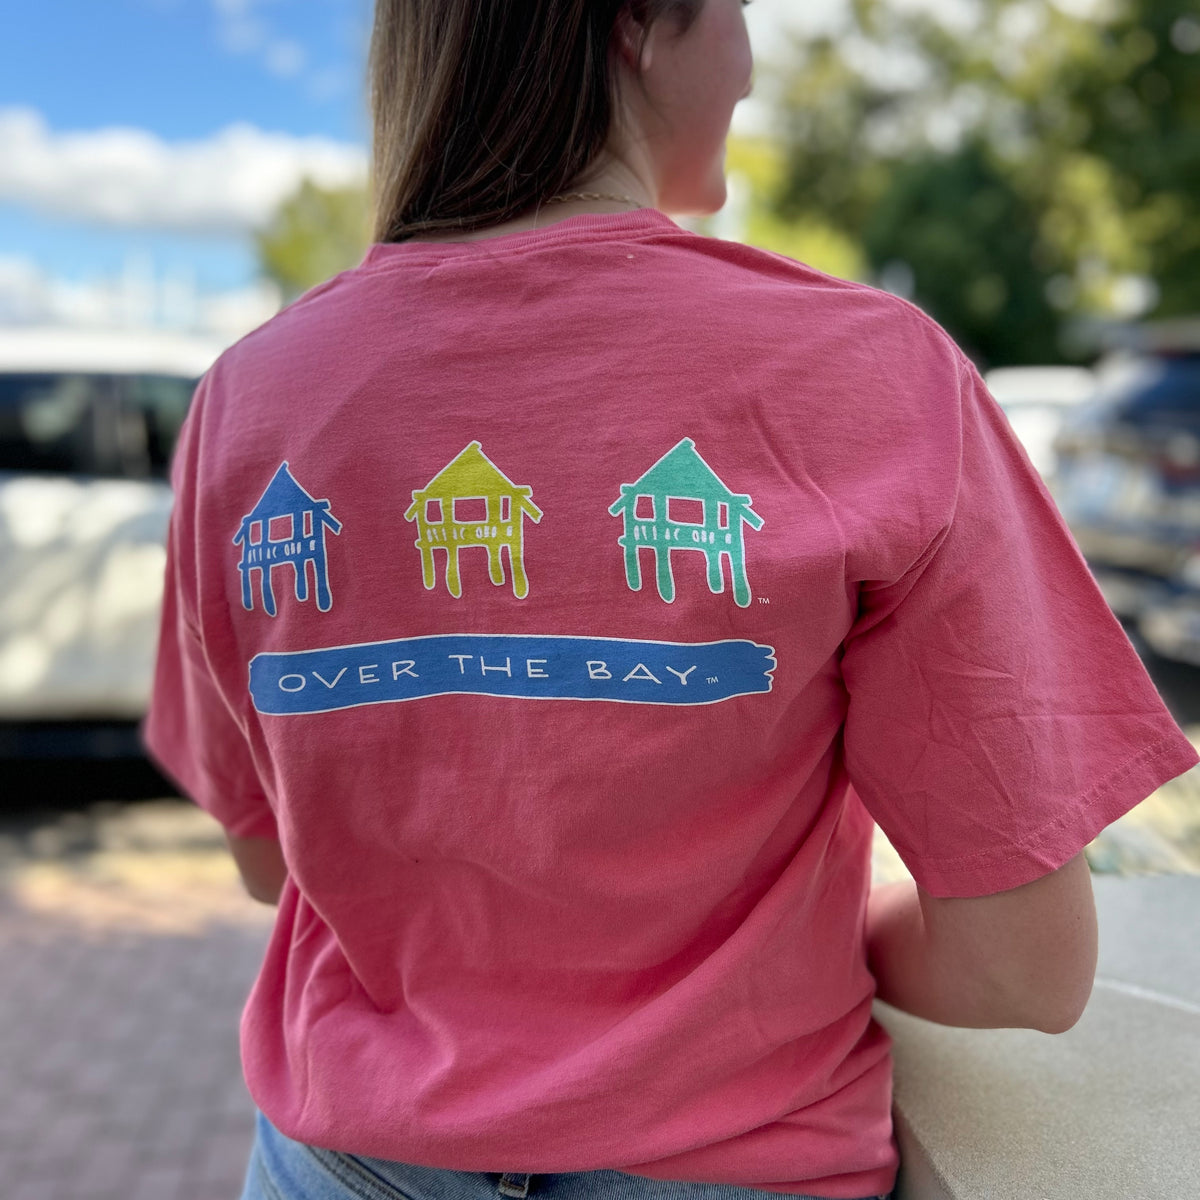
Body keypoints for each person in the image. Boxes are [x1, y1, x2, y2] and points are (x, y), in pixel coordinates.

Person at [143, 2, 1198, 1199]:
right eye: (743, 9)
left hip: (343, 1162)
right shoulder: (873, 377)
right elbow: (1024, 969)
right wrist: (772, 952)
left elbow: (267, 860)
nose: (751, 58)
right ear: (644, 23)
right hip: (732, 1164)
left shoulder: (249, 400)